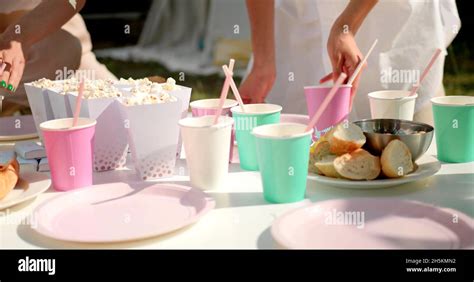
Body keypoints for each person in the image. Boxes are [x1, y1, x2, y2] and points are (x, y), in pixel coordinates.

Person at [240, 0, 461, 124]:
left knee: (412, 168)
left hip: (396, 29)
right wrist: (263, 61)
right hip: (300, 26)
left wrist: (346, 26)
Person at [0, 0, 116, 113]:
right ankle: (18, 104)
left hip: (64, 50)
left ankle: (25, 104)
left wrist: (17, 37)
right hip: (12, 57)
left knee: (119, 108)